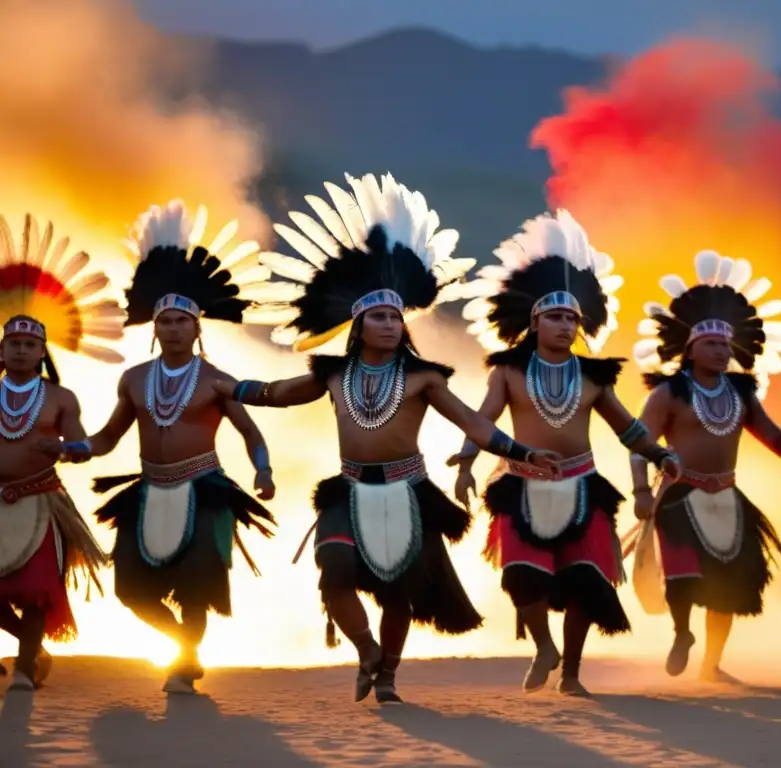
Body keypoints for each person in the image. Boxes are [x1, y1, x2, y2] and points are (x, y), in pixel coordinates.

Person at [222, 173, 560, 704]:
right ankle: (366, 650)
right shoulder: (333, 374)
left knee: (398, 593)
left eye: (394, 317)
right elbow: (279, 391)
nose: (388, 325)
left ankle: (388, 678)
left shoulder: (425, 378)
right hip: (349, 490)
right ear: (357, 326)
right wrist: (226, 387)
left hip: (409, 492)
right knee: (334, 574)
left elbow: (473, 422)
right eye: (377, 317)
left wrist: (520, 453)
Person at [447, 210, 681, 697]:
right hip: (520, 485)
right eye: (555, 316)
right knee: (521, 576)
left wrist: (660, 457)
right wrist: (468, 461)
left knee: (588, 581)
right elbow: (482, 418)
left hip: (582, 485)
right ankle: (543, 647)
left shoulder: (595, 377)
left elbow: (629, 428)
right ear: (535, 322)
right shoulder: (508, 371)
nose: (565, 324)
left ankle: (571, 673)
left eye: (572, 317)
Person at [54, 201, 277, 695]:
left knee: (197, 587)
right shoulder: (133, 380)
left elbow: (251, 433)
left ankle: (181, 669)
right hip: (148, 489)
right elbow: (110, 437)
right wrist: (77, 448)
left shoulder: (217, 380)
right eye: (166, 321)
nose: (173, 328)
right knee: (130, 589)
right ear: (154, 328)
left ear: (198, 328)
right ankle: (185, 648)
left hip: (206, 489)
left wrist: (262, 471)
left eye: (182, 321)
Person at [623, 249, 781, 683]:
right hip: (678, 495)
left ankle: (712, 665)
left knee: (729, 587)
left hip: (727, 494)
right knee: (685, 576)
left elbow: (770, 431)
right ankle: (682, 633)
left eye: (727, 344)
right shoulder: (667, 393)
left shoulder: (741, 394)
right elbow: (638, 444)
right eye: (712, 343)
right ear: (690, 349)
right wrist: (642, 492)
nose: (723, 350)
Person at [0, 213, 115, 691]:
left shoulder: (60, 398)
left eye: (30, 344)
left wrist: (65, 448)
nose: (22, 351)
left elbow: (85, 445)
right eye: (14, 343)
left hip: (43, 502)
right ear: (2, 350)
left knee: (36, 592)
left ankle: (26, 667)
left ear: (43, 351)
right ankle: (35, 652)